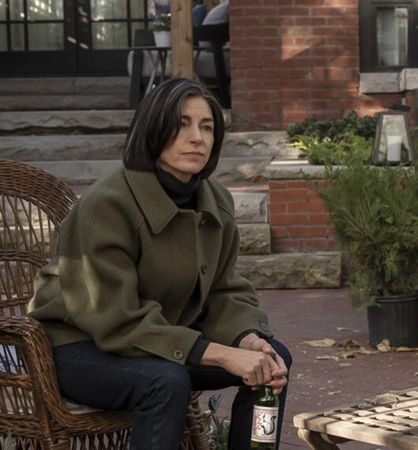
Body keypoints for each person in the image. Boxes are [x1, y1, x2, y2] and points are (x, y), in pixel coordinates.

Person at [27, 78, 291, 450]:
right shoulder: (107, 204)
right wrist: (223, 354)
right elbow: (114, 319)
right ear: (153, 130)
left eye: (207, 127)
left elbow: (223, 291)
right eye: (182, 124)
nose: (197, 138)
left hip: (161, 342)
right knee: (165, 381)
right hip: (78, 347)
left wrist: (247, 339)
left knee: (273, 362)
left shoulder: (215, 200)